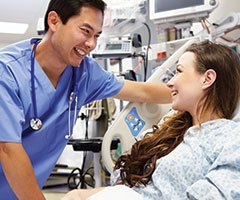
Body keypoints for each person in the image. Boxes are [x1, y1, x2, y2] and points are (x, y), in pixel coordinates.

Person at [0, 0, 172, 199]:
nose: (91, 44)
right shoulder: (7, 72)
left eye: (96, 35)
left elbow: (143, 92)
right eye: (85, 31)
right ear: (54, 21)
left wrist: (197, 90)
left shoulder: (84, 73)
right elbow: (7, 149)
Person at [62, 40, 240, 200]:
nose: (170, 83)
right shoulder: (170, 128)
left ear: (207, 78)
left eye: (178, 72)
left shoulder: (230, 139)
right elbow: (126, 181)